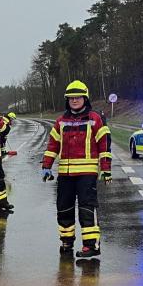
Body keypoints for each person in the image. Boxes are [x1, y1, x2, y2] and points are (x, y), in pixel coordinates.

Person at [40, 80, 111, 259]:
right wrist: (46, 165)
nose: (74, 100)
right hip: (65, 173)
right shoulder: (61, 121)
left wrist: (106, 169)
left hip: (87, 173)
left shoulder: (95, 119)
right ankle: (66, 241)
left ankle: (91, 246)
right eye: (71, 98)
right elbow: (53, 145)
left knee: (87, 208)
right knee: (64, 208)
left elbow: (104, 145)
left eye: (78, 97)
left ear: (85, 98)